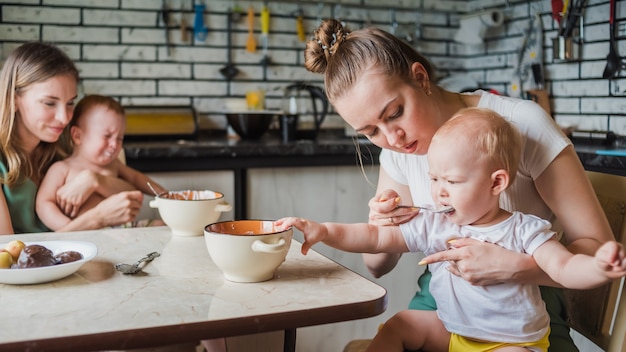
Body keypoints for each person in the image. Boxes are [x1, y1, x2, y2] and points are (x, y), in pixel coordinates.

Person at [303, 19, 615, 350]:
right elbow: (378, 265)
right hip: (440, 299)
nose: (392, 138)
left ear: (420, 78)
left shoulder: (521, 125)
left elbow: (596, 248)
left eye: (395, 113)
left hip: (524, 305)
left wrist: (515, 268)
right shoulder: (397, 153)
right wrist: (380, 223)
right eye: (371, 132)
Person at [277, 108, 626, 352]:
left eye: (452, 181)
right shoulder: (438, 221)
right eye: (433, 178)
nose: (439, 191)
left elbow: (564, 267)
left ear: (497, 183)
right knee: (401, 325)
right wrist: (323, 230)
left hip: (511, 344)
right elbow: (377, 237)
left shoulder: (524, 230)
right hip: (453, 331)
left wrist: (597, 267)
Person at [0, 42, 144, 235]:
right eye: (50, 103)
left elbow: (131, 194)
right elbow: (7, 255)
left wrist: (96, 180)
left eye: (70, 103)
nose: (64, 117)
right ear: (14, 99)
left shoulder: (64, 146)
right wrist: (96, 219)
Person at [36, 95, 167, 230]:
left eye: (120, 138)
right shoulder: (62, 168)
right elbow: (44, 203)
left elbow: (136, 178)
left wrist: (165, 194)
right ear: (77, 136)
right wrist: (68, 227)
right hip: (86, 231)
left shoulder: (114, 164)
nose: (114, 145)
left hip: (124, 227)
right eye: (107, 136)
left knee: (161, 226)